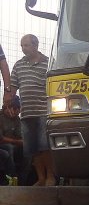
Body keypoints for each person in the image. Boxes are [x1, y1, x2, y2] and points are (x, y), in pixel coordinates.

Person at [9, 34, 55, 186]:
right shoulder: (18, 65)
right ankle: (41, 178)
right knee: (32, 148)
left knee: (44, 146)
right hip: (27, 113)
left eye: (26, 45)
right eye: (22, 46)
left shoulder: (48, 63)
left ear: (35, 45)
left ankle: (50, 177)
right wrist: (8, 101)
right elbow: (13, 88)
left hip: (43, 111)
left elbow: (54, 87)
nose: (23, 49)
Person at [0, 95, 24, 185]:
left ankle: (24, 180)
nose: (15, 114)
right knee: (9, 148)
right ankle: (12, 177)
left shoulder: (16, 119)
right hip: (4, 144)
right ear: (9, 108)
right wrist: (16, 141)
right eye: (15, 110)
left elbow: (19, 135)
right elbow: (1, 139)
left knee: (27, 151)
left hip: (11, 143)